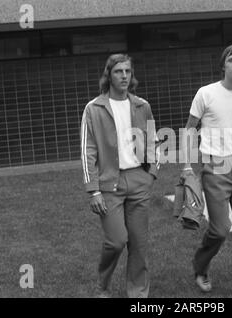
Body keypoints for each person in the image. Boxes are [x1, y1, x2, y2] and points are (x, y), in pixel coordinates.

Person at [180, 44, 232, 298]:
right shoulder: (206, 94)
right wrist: (186, 166)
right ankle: (200, 266)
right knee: (220, 228)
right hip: (216, 167)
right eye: (231, 60)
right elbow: (190, 129)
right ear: (223, 65)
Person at [80, 54, 158, 298]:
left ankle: (137, 294)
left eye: (127, 71)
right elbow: (87, 151)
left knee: (139, 243)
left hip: (139, 180)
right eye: (118, 71)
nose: (124, 76)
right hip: (109, 184)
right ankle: (102, 284)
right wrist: (93, 190)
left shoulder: (142, 106)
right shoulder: (94, 109)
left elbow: (153, 140)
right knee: (116, 241)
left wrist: (151, 174)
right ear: (109, 75)